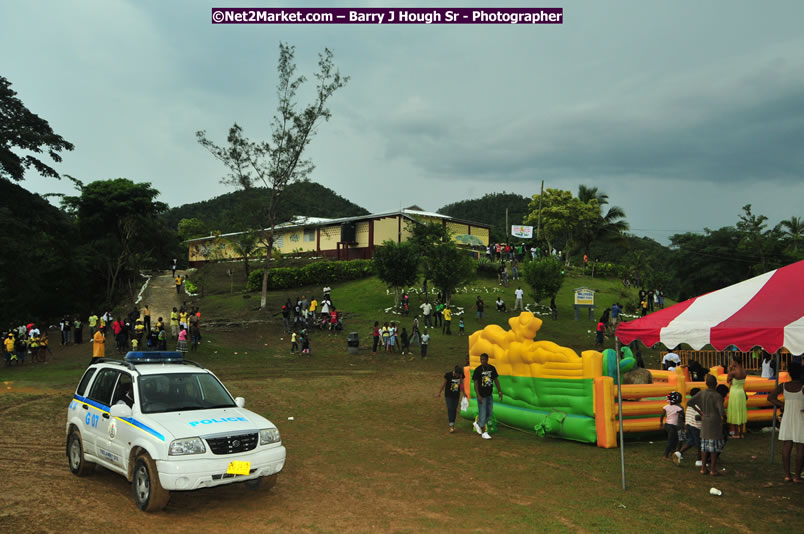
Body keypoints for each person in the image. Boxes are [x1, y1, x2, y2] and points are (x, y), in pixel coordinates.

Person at [768, 362, 803, 482]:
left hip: (787, 416)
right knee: (800, 447)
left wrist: (782, 405)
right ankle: (797, 476)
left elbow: (770, 397)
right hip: (800, 417)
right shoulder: (802, 386)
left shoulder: (784, 385)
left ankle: (787, 475)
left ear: (789, 373)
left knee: (787, 446)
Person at [688, 374, 726, 476]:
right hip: (715, 421)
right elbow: (721, 411)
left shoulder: (701, 393)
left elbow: (690, 402)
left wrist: (700, 412)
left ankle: (703, 468)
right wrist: (725, 419)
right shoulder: (717, 396)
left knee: (704, 446)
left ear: (706, 384)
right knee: (714, 448)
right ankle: (713, 469)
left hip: (705, 420)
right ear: (716, 384)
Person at [472, 353, 503, 440]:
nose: (482, 361)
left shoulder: (492, 368)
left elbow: (496, 380)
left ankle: (478, 423)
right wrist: (478, 395)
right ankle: (484, 432)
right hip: (481, 395)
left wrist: (500, 391)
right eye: (481, 360)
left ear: (487, 360)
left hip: (489, 394)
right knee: (482, 413)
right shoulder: (478, 370)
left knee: (489, 413)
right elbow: (475, 383)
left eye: (484, 359)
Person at [675, 387, 703, 466]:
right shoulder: (699, 404)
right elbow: (697, 417)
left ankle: (678, 453)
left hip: (689, 424)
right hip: (696, 426)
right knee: (699, 444)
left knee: (690, 441)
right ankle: (699, 460)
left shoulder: (690, 403)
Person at [437, 365, 466, 433]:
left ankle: (453, 423)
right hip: (448, 395)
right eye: (457, 374)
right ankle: (451, 425)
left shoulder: (461, 375)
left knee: (454, 409)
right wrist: (439, 392)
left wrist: (464, 393)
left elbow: (461, 384)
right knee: (450, 408)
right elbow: (444, 384)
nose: (457, 376)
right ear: (455, 372)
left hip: (456, 395)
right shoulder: (448, 375)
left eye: (459, 375)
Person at [727, 354, 748, 439]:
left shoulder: (733, 372)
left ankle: (736, 433)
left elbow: (728, 380)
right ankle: (741, 433)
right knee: (741, 411)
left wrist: (730, 369)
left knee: (735, 411)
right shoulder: (744, 371)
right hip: (741, 392)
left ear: (735, 362)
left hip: (734, 392)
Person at [660, 391, 684, 460]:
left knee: (673, 439)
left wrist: (661, 422)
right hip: (674, 426)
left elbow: (662, 415)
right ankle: (666, 455)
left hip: (667, 425)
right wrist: (685, 421)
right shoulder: (678, 408)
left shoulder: (666, 407)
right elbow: (683, 415)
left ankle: (672, 452)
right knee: (672, 440)